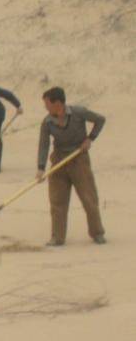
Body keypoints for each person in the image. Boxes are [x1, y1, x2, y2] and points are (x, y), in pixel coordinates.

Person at [37, 87, 106, 246]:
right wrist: (41, 168)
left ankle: (97, 233)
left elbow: (100, 120)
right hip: (59, 161)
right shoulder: (47, 122)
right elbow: (43, 145)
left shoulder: (78, 112)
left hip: (78, 158)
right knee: (57, 201)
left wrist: (90, 139)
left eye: (47, 104)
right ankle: (57, 237)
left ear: (58, 103)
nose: (46, 107)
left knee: (89, 198)